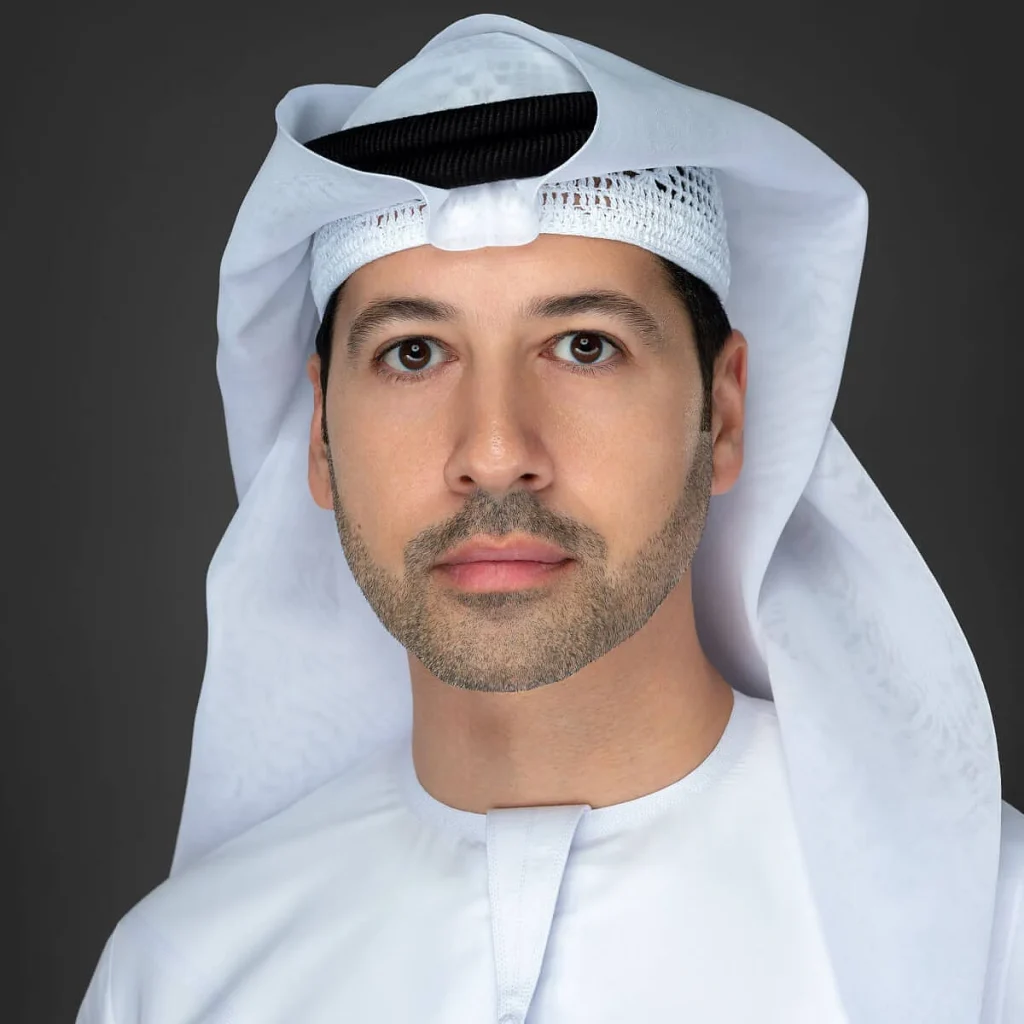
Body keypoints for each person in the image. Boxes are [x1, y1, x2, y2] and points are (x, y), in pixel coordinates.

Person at [76, 13, 1022, 1023]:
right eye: (412, 353)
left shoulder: (989, 936)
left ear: (724, 411)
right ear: (318, 434)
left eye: (583, 346)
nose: (494, 451)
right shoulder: (178, 980)